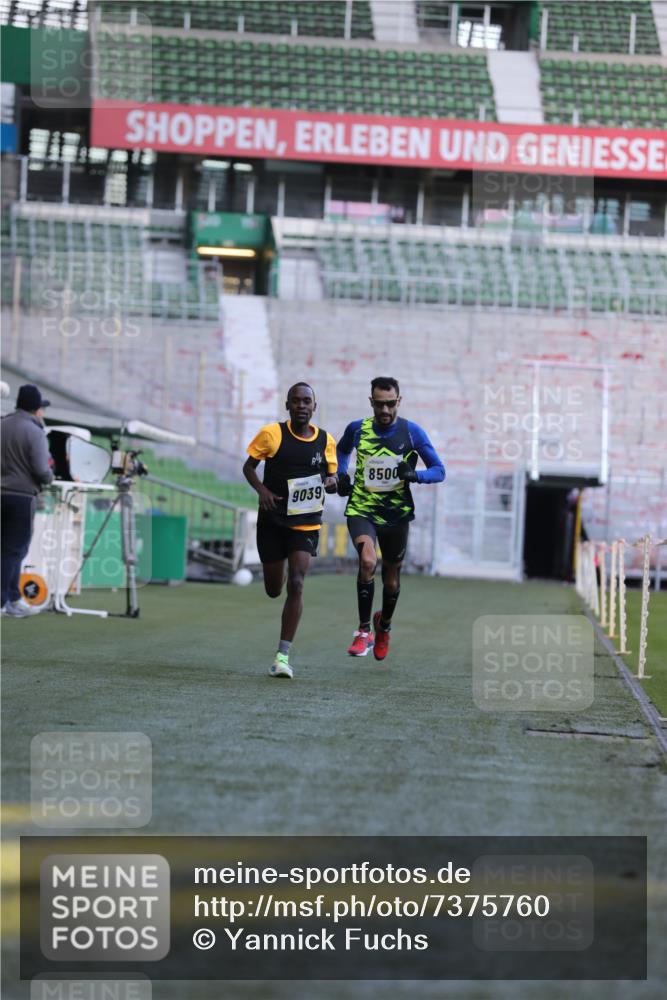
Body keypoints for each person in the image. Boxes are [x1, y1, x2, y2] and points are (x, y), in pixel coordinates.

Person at [337, 377, 445, 661]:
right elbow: (342, 449)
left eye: (390, 404)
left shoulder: (412, 432)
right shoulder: (357, 429)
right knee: (368, 561)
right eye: (379, 404)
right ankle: (363, 631)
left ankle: (383, 626)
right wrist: (341, 473)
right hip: (362, 508)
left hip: (396, 514)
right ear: (370, 402)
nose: (384, 410)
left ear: (399, 401)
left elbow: (439, 470)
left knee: (392, 580)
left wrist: (415, 475)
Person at [243, 382, 338, 679]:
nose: (301, 406)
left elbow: (332, 475)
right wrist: (262, 491)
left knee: (297, 583)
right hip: (273, 521)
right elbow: (248, 467)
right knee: (274, 589)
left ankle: (282, 656)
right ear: (287, 405)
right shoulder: (272, 434)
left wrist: (333, 482)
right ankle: (279, 569)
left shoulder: (326, 440)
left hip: (306, 522)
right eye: (295, 401)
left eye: (306, 401)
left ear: (314, 406)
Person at [1, 384, 54, 616]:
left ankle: (13, 598)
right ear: (35, 408)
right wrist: (50, 477)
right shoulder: (35, 432)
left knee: (8, 550)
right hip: (21, 497)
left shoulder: (2, 424)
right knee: (14, 551)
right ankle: (3, 601)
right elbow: (42, 470)